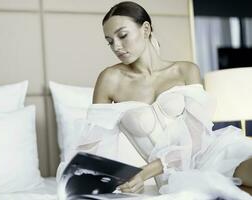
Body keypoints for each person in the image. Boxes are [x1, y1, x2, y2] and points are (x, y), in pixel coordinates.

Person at [90, 1, 252, 196]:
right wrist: (109, 179)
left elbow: (197, 140)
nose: (116, 46)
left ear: (146, 29)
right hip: (174, 178)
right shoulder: (110, 80)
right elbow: (95, 147)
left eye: (122, 35)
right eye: (110, 41)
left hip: (213, 155)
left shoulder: (186, 70)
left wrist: (143, 173)